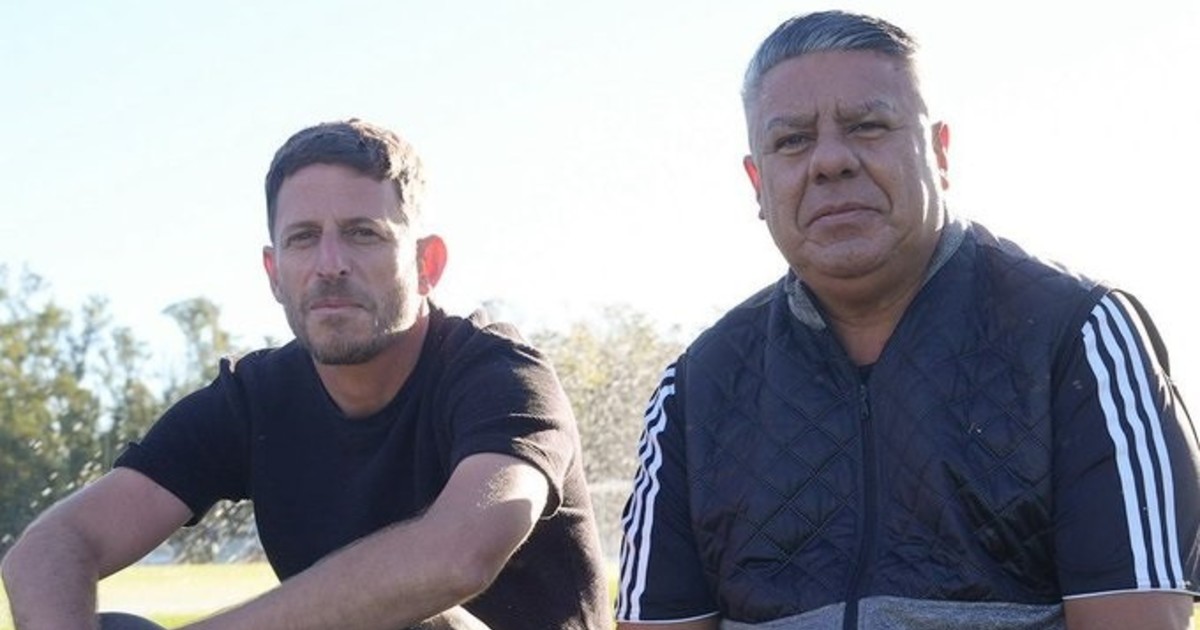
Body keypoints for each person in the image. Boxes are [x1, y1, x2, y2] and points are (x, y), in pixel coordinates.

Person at [615, 10, 1198, 630]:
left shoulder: (1079, 336)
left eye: (868, 127)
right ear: (758, 182)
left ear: (939, 152)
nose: (830, 161)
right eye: (792, 141)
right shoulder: (697, 389)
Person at [2, 119, 611, 629]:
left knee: (424, 618)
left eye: (363, 234)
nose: (330, 264)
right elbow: (50, 548)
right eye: (303, 238)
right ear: (274, 273)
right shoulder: (254, 399)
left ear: (427, 262)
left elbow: (458, 555)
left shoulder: (500, 375)